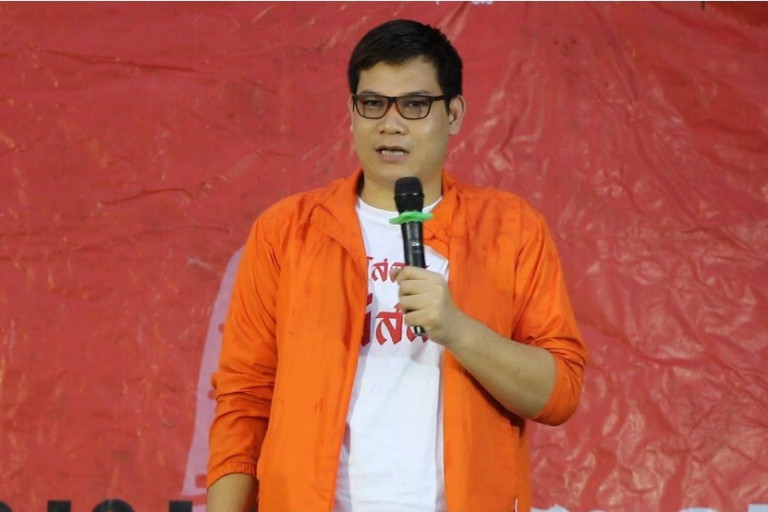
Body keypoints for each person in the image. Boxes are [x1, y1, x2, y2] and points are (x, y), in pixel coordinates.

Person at [206, 18, 587, 512]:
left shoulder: (511, 228)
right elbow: (244, 399)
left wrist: (457, 329)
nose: (390, 124)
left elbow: (559, 393)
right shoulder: (287, 231)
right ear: (351, 113)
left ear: (454, 113)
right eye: (373, 104)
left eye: (414, 104)